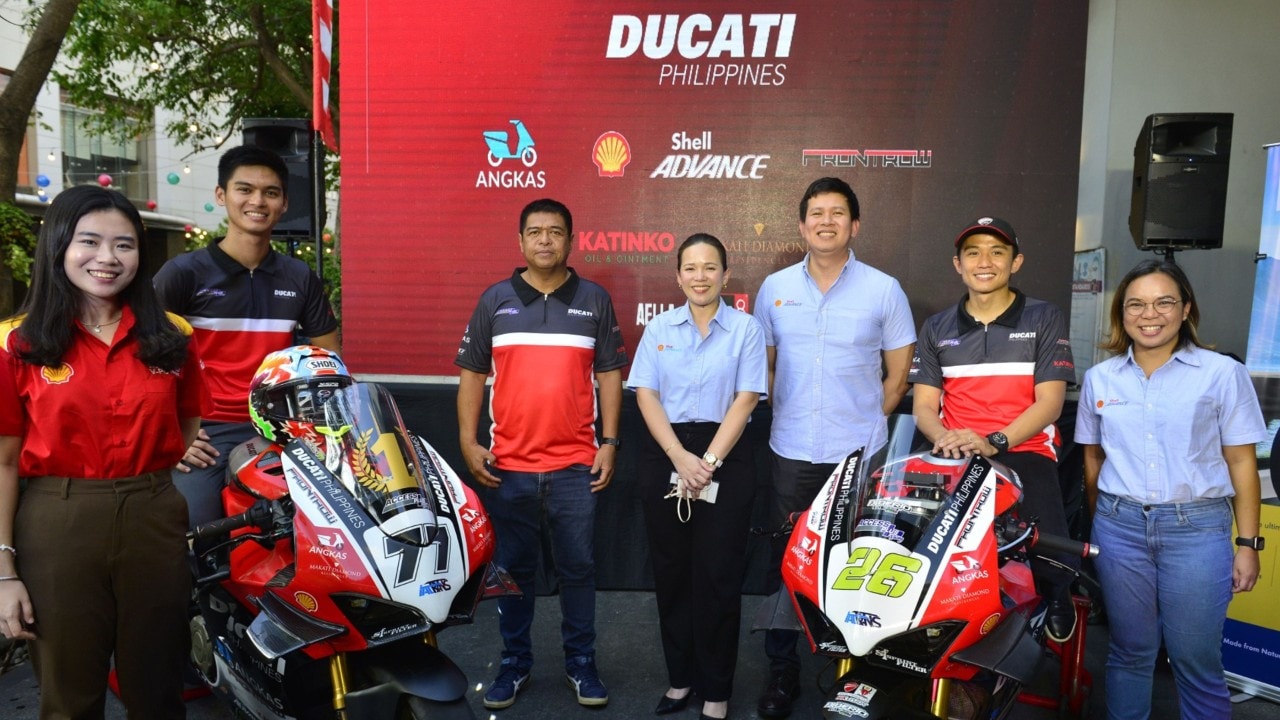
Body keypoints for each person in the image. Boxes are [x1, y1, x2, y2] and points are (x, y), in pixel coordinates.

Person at [0, 185, 209, 718]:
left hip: (154, 514)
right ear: (59, 248)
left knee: (159, 688)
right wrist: (4, 572)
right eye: (89, 241)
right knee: (68, 696)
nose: (107, 258)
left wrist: (147, 476)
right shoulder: (16, 344)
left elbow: (186, 427)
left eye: (124, 244)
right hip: (55, 521)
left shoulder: (173, 337)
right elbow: (2, 461)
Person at [752, 177, 916, 719]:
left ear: (855, 225)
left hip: (861, 455)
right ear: (801, 225)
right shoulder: (773, 287)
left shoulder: (883, 289)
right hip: (791, 449)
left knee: (862, 566)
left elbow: (897, 377)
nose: (826, 221)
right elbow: (765, 369)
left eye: (838, 213)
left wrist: (869, 423)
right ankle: (783, 671)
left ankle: (860, 672)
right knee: (788, 565)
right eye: (816, 213)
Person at [456, 198, 627, 710]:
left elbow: (610, 375)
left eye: (556, 232)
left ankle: (581, 664)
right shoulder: (495, 300)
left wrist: (610, 443)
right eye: (536, 232)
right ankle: (514, 665)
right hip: (508, 468)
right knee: (514, 573)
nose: (546, 240)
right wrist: (468, 441)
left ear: (571, 241)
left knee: (578, 569)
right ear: (521, 241)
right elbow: (471, 375)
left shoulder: (594, 300)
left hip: (577, 466)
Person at [1075, 259, 1265, 720]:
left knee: (1194, 659)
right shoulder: (1101, 379)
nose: (1149, 314)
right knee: (1129, 651)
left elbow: (1242, 462)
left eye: (1164, 302)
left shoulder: (1221, 374)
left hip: (1196, 530)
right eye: (1136, 305)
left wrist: (1247, 544)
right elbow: (1093, 460)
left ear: (1186, 310)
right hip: (1118, 530)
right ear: (1122, 315)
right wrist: (1103, 521)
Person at [909, 216, 1079, 642]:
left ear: (1015, 262)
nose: (984, 262)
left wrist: (994, 441)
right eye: (973, 253)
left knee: (1048, 542)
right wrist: (944, 438)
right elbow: (924, 407)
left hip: (1022, 450)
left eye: (997, 252)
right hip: (955, 453)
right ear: (958, 264)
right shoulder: (937, 327)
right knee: (910, 532)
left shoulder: (1044, 316)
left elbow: (1050, 402)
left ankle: (1057, 593)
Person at [155, 145, 339, 530]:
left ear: (285, 203)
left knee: (311, 529)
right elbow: (142, 359)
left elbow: (328, 359)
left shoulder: (298, 277)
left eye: (270, 192)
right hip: (206, 429)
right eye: (245, 189)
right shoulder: (184, 273)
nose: (258, 201)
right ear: (222, 196)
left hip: (281, 428)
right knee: (196, 531)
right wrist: (173, 433)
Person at [628, 234, 767, 720]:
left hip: (724, 454)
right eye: (691, 268)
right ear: (678, 276)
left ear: (726, 276)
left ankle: (716, 688)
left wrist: (704, 461)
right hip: (664, 452)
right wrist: (679, 458)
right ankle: (680, 679)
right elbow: (645, 395)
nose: (700, 277)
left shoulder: (746, 329)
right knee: (671, 574)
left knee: (717, 576)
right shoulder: (658, 328)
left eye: (710, 268)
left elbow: (746, 399)